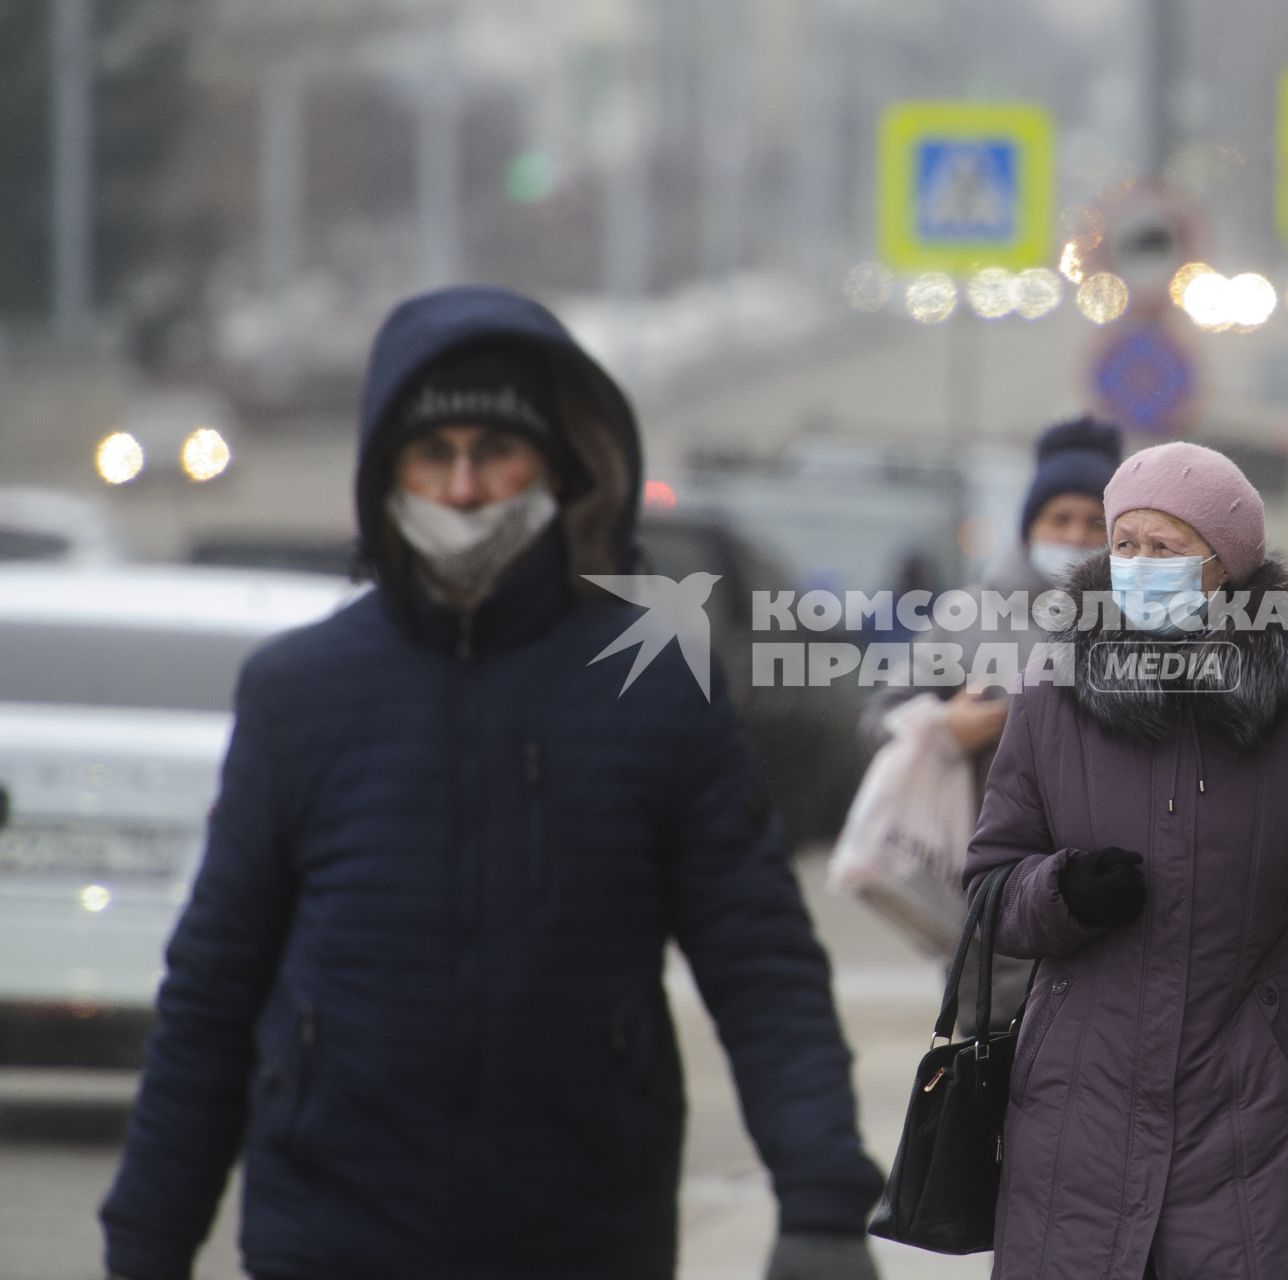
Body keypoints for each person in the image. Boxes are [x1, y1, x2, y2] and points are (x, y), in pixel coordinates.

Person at [98, 286, 882, 1280]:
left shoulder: (650, 690)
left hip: (580, 1233)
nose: (463, 488)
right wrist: (145, 1244)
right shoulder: (300, 694)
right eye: (434, 455)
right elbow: (212, 992)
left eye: (493, 451)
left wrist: (819, 1201)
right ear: (388, 476)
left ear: (557, 467)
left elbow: (760, 964)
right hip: (333, 1235)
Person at [966, 441, 1288, 1279]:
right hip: (1079, 1115)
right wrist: (1060, 891)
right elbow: (989, 890)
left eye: (1167, 548)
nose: (1138, 566)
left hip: (1251, 1116)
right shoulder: (1047, 695)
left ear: (1226, 569)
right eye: (1126, 544)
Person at [859, 415, 1119, 1025]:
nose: (1076, 535)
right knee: (998, 1089)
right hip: (995, 903)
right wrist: (945, 729)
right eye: (1060, 519)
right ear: (1029, 526)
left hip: (1116, 899)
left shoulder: (1139, 619)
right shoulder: (966, 616)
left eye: (1094, 522)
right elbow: (879, 721)